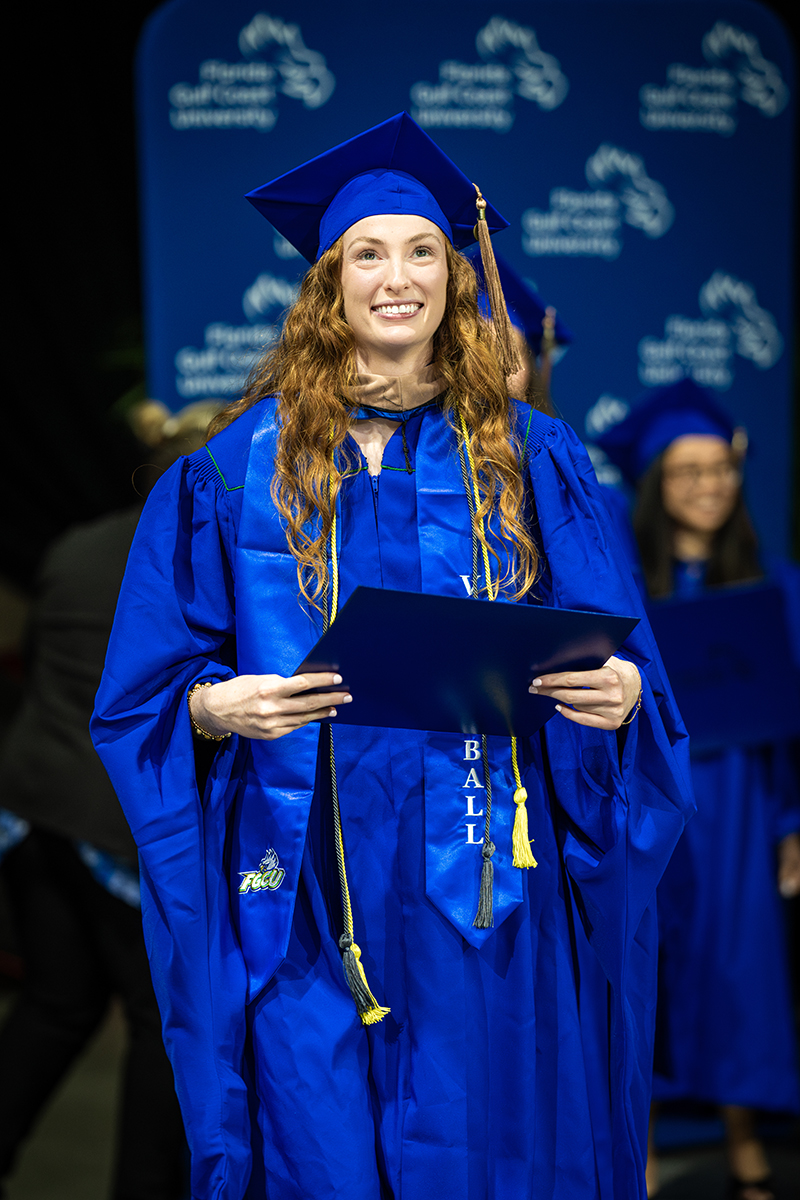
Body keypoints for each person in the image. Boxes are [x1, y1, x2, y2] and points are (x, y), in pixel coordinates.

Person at [91, 112, 692, 1200]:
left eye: (423, 251)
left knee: (479, 1151)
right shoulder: (236, 468)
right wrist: (219, 707)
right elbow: (146, 689)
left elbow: (622, 660)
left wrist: (618, 695)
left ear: (457, 283)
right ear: (328, 285)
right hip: (305, 886)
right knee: (317, 1150)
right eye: (367, 253)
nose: (398, 276)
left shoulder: (528, 455)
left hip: (483, 894)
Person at [0, 403, 218, 1198]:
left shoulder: (76, 543)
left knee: (56, 1005)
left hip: (35, 811)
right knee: (167, 1032)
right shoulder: (191, 570)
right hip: (118, 835)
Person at [596, 378, 800, 1200]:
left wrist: (793, 821)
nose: (707, 485)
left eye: (720, 468)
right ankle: (635, 1156)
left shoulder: (775, 586)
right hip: (647, 802)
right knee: (644, 967)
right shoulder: (620, 592)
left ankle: (746, 1143)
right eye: (685, 472)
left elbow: (791, 726)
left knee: (739, 970)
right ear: (652, 485)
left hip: (745, 808)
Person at [465, 246, 573, 415]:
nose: (498, 367)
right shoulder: (430, 439)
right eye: (483, 351)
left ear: (530, 367)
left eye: (510, 354)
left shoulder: (552, 440)